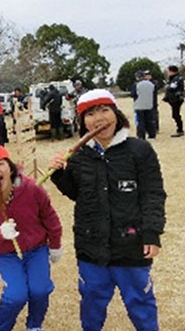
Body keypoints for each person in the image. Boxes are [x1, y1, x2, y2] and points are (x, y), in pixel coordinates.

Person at [48, 89, 166, 331]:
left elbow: (152, 194)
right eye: (90, 114)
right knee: (92, 303)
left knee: (140, 302)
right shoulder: (79, 156)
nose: (98, 118)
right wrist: (60, 174)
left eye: (104, 110)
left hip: (131, 245)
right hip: (91, 247)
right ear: (83, 122)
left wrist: (152, 234)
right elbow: (78, 194)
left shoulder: (139, 151)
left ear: (116, 114)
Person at [0, 144, 62, 331]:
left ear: (10, 167)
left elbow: (50, 217)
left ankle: (34, 326)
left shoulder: (32, 189)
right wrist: (0, 234)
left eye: (0, 164)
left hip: (37, 249)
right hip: (7, 254)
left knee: (40, 290)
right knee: (16, 295)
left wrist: (55, 245)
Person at [132, 71, 156, 140]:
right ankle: (152, 134)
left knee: (140, 121)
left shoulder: (136, 84)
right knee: (150, 120)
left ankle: (141, 136)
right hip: (149, 104)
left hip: (139, 105)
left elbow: (133, 94)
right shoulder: (151, 84)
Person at [164, 65, 184, 137]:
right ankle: (179, 129)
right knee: (175, 114)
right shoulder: (173, 78)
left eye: (168, 71)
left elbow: (172, 87)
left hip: (176, 99)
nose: (168, 73)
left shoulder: (177, 78)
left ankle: (180, 130)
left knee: (175, 114)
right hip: (173, 99)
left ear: (172, 71)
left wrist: (167, 87)